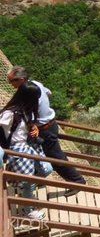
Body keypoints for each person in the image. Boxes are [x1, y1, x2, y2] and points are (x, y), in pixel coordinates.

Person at [7, 66, 86, 197]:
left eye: (11, 81)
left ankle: (77, 181)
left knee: (55, 158)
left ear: (20, 79)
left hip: (44, 129)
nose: (10, 84)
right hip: (50, 124)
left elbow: (27, 112)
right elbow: (49, 92)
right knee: (37, 154)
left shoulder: (27, 91)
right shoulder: (35, 83)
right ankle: (35, 179)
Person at [0, 82, 53, 219]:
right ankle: (27, 209)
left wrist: (33, 128)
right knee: (28, 179)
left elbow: (26, 125)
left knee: (46, 169)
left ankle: (25, 191)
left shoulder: (28, 111)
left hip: (26, 145)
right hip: (15, 149)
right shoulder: (10, 114)